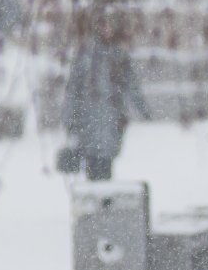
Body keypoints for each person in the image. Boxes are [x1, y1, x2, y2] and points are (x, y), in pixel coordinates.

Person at [63, 14, 148, 182]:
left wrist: (143, 109)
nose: (106, 29)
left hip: (111, 120)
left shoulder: (119, 55)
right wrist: (69, 118)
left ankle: (104, 200)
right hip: (89, 119)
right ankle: (96, 200)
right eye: (103, 25)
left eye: (110, 25)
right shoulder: (85, 55)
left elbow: (131, 85)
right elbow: (73, 89)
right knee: (93, 162)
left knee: (106, 163)